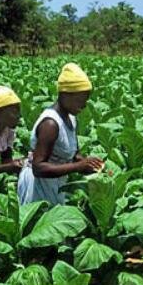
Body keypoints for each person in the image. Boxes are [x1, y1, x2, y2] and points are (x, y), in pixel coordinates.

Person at [18, 63, 104, 205]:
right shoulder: (50, 124)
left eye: (85, 101)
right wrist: (78, 167)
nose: (83, 106)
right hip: (38, 186)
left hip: (55, 184)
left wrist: (92, 165)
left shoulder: (71, 118)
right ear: (65, 94)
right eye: (80, 100)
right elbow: (38, 168)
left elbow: (74, 155)